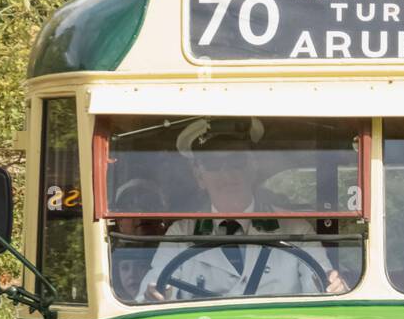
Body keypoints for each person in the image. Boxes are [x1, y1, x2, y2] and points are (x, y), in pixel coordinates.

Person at [137, 118, 347, 302]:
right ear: (199, 176)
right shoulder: (181, 234)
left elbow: (323, 287)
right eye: (212, 164)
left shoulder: (295, 228)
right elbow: (152, 291)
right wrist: (155, 294)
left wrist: (334, 286)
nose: (227, 173)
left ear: (252, 167)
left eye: (236, 161)